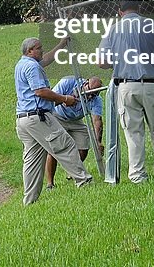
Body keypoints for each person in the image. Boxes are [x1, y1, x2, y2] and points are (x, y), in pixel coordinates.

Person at [98, 0, 154, 183]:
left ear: (120, 12)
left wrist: (119, 61)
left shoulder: (112, 29)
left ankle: (137, 174)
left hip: (126, 85)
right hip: (152, 84)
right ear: (139, 9)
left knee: (133, 133)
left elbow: (102, 62)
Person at [15, 37, 93, 205]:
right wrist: (65, 98)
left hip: (24, 120)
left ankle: (30, 201)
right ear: (30, 51)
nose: (42, 50)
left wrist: (62, 44)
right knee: (66, 145)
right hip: (38, 117)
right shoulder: (31, 67)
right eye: (39, 48)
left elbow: (47, 59)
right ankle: (84, 182)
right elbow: (40, 92)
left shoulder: (23, 64)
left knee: (32, 160)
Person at [45, 76, 103, 188]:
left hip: (76, 121)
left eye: (94, 94)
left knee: (83, 147)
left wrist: (98, 141)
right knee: (54, 149)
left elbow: (97, 120)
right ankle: (50, 183)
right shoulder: (67, 82)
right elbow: (51, 99)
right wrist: (64, 100)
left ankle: (72, 171)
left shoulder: (96, 99)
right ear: (85, 84)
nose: (90, 96)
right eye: (89, 92)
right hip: (57, 116)